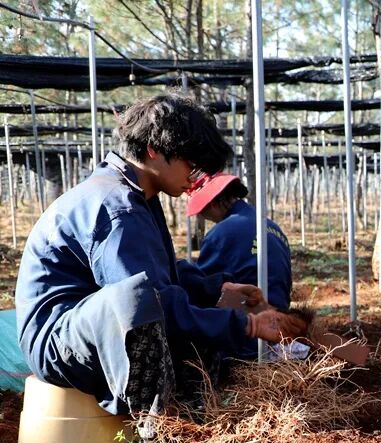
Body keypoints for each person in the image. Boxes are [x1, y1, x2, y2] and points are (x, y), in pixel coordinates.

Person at [15, 93, 304, 422]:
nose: (194, 179)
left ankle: (194, 412)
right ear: (154, 150)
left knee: (182, 306)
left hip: (86, 324)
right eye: (190, 165)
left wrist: (217, 289)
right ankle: (158, 433)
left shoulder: (138, 196)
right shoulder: (118, 208)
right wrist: (248, 325)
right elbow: (149, 298)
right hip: (57, 341)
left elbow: (164, 275)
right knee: (144, 302)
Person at [186, 172, 292, 312]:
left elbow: (201, 287)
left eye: (203, 212)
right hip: (281, 312)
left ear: (213, 204)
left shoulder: (220, 234)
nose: (204, 217)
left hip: (252, 316)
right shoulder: (271, 226)